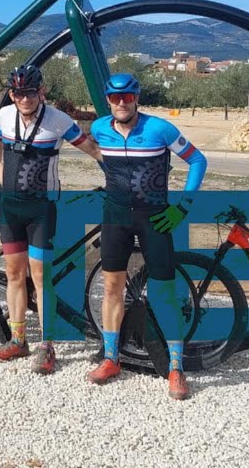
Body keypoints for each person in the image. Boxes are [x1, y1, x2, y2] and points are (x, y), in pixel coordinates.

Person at [85, 73, 207, 400]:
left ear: (137, 97)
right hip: (115, 217)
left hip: (155, 218)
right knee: (111, 287)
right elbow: (106, 163)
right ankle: (111, 358)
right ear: (108, 99)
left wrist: (183, 206)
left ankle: (176, 368)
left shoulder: (159, 128)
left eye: (127, 97)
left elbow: (197, 160)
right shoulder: (99, 128)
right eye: (115, 97)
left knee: (164, 293)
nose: (121, 103)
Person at [0, 64, 101, 374]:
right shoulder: (5, 115)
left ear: (42, 91)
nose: (24, 99)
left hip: (42, 208)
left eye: (30, 93)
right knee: (13, 272)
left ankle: (47, 345)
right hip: (10, 205)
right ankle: (18, 339)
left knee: (40, 276)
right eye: (18, 93)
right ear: (11, 94)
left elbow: (90, 147)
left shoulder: (59, 120)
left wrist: (121, 171)